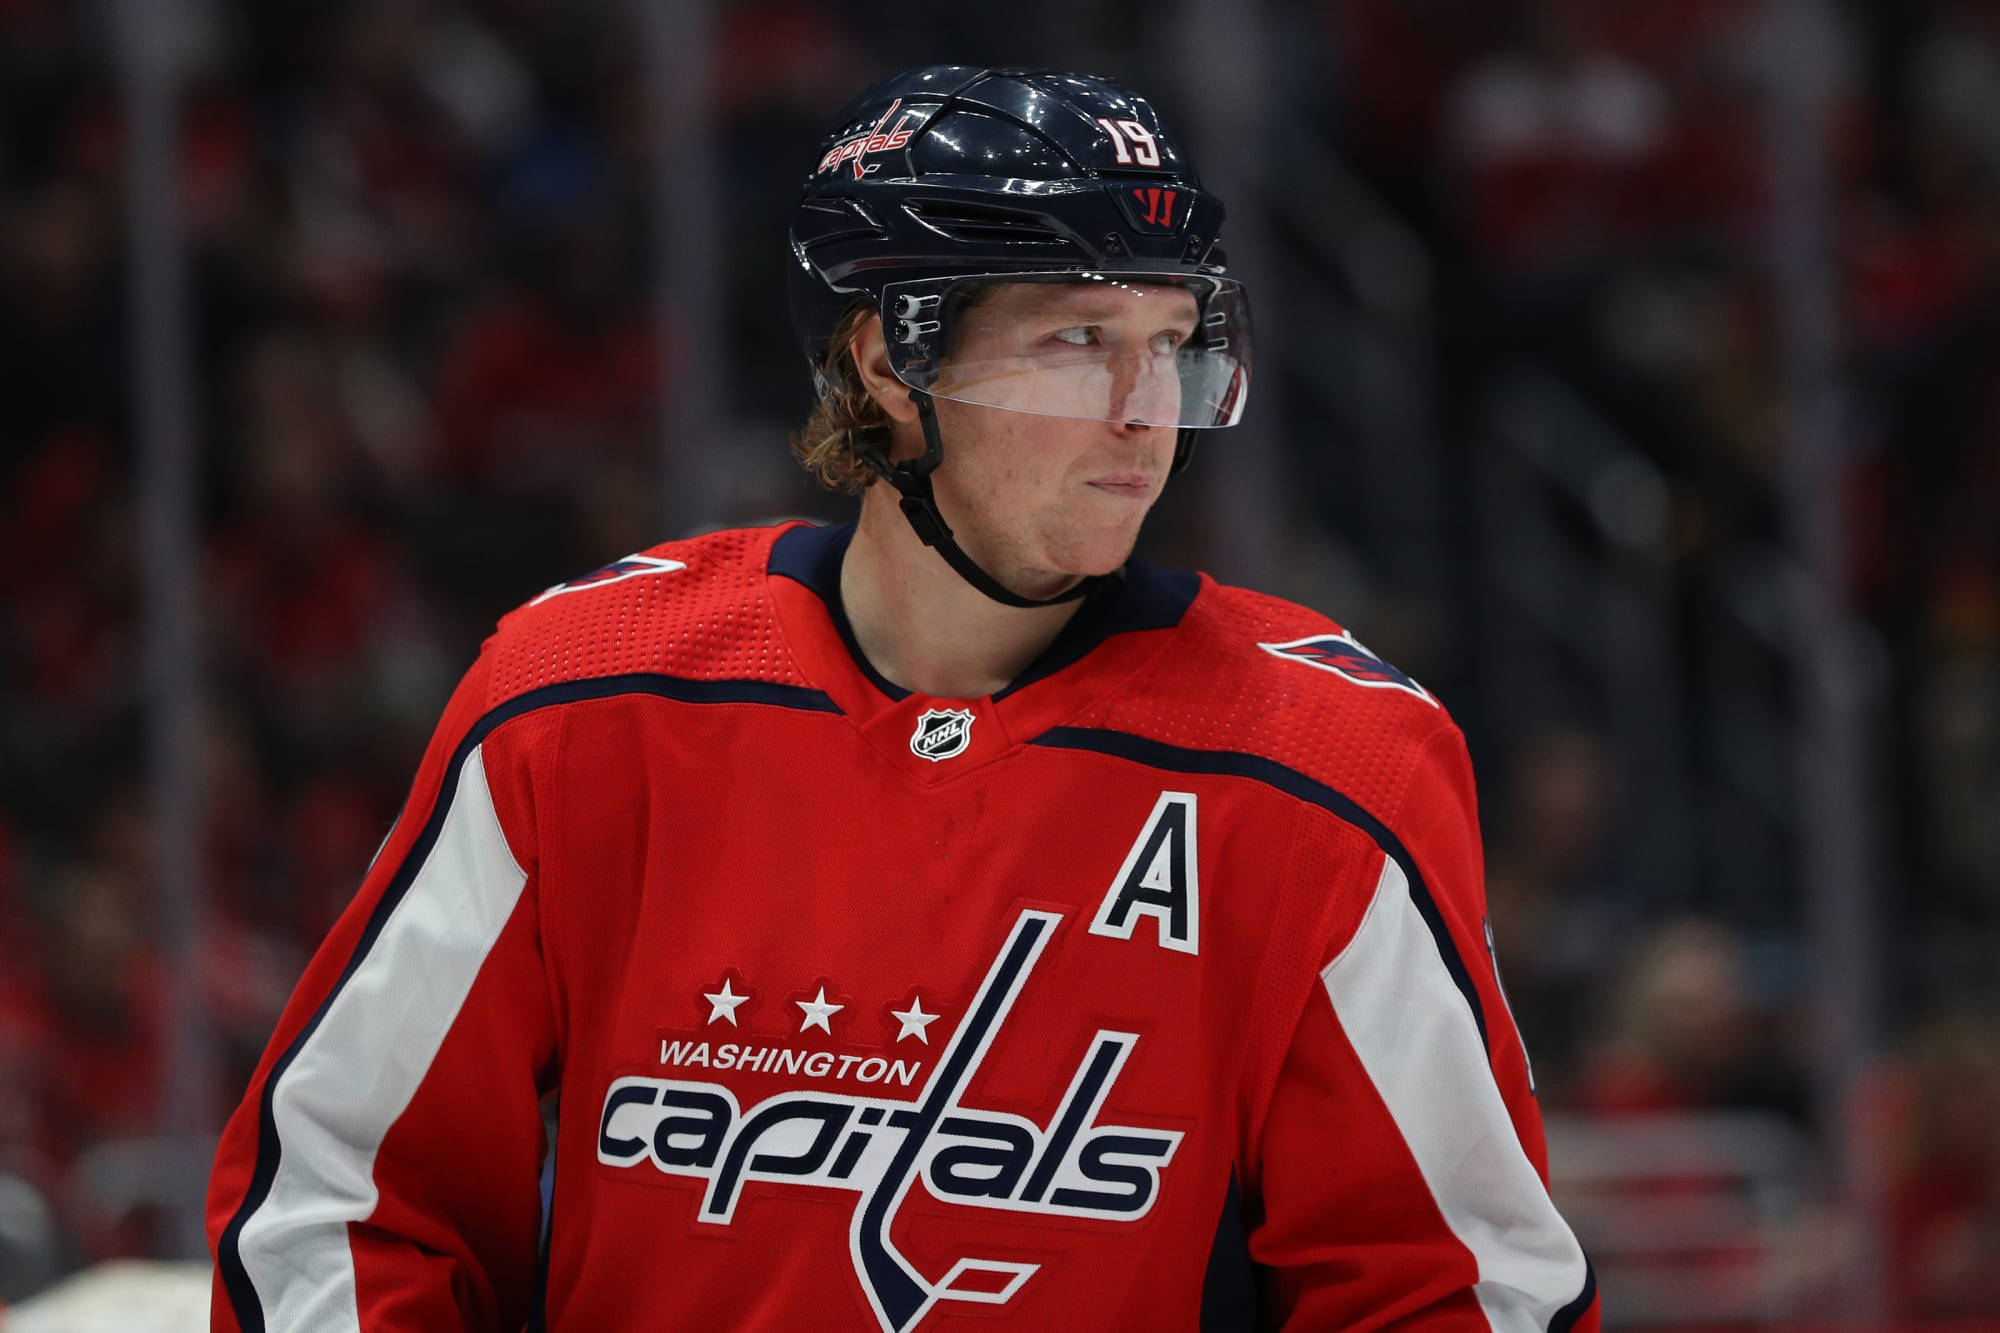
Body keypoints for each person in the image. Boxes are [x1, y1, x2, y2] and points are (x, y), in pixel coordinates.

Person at [206, 65, 1599, 1331]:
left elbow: (1453, 1291)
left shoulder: (1328, 763)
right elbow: (343, 1195)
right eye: (1078, 340)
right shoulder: (586, 696)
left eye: (1171, 341)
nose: (1144, 409)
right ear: (888, 363)